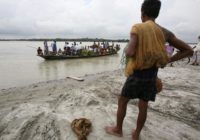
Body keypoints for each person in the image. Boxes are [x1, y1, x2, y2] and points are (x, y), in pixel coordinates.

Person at [104, 0, 193, 140]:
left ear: (142, 13)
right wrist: (168, 60)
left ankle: (118, 129)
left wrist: (127, 48)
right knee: (143, 104)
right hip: (152, 76)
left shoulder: (137, 28)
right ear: (156, 14)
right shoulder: (165, 32)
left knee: (122, 101)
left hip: (137, 74)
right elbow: (188, 50)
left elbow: (130, 53)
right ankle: (136, 135)